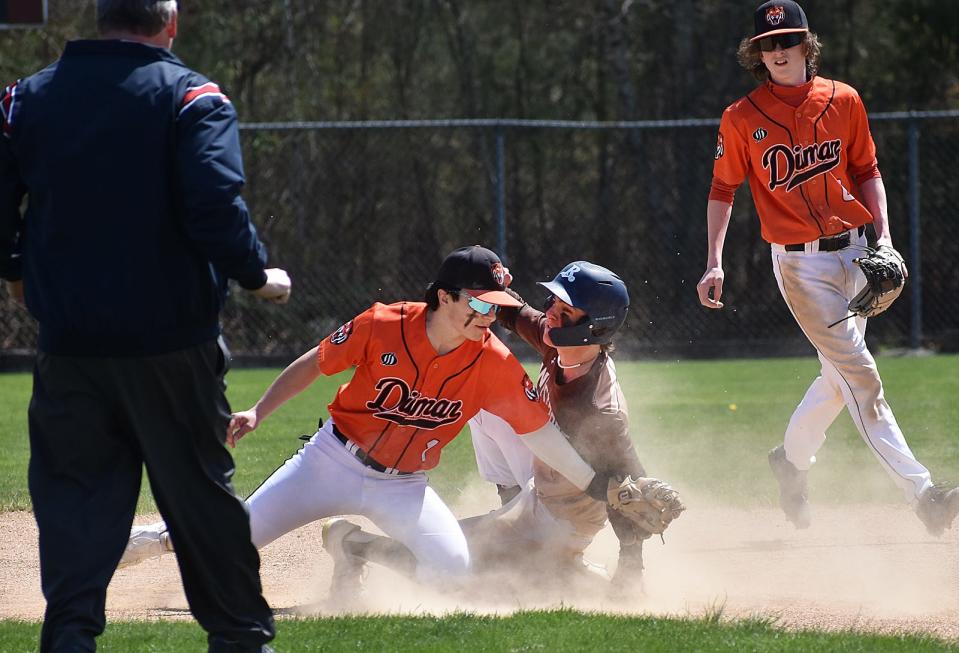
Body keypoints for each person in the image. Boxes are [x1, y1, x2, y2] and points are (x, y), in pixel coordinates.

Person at [0, 1, 292, 651]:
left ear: (100, 19)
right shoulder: (191, 95)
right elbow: (214, 201)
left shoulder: (25, 99)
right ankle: (240, 639)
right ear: (171, 23)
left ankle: (69, 639)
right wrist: (255, 274)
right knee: (200, 502)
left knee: (76, 506)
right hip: (172, 344)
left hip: (69, 346)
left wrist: (14, 266)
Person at [119, 246, 641, 602]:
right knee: (228, 549)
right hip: (330, 462)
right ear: (445, 296)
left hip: (405, 488)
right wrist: (258, 410)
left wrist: (596, 483)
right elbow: (314, 363)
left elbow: (539, 434)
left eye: (498, 305)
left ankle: (356, 546)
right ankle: (158, 538)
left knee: (455, 577)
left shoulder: (494, 362)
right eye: (481, 302)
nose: (491, 314)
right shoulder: (383, 323)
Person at [695, 0, 959, 536]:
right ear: (757, 53)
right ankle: (924, 495)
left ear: (806, 44)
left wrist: (883, 236)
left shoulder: (844, 100)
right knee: (861, 378)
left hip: (857, 252)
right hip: (801, 267)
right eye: (768, 44)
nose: (779, 51)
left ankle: (790, 463)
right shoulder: (741, 117)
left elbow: (867, 169)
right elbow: (723, 189)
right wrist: (714, 262)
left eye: (788, 40)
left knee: (837, 379)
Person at [321, 261, 684, 599]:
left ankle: (353, 544)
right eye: (553, 303)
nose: (551, 315)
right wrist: (491, 284)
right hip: (537, 492)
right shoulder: (559, 342)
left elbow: (628, 492)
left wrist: (630, 567)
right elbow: (512, 312)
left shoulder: (600, 411)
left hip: (560, 522)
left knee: (456, 572)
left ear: (598, 327)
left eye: (566, 311)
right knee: (490, 406)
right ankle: (546, 557)